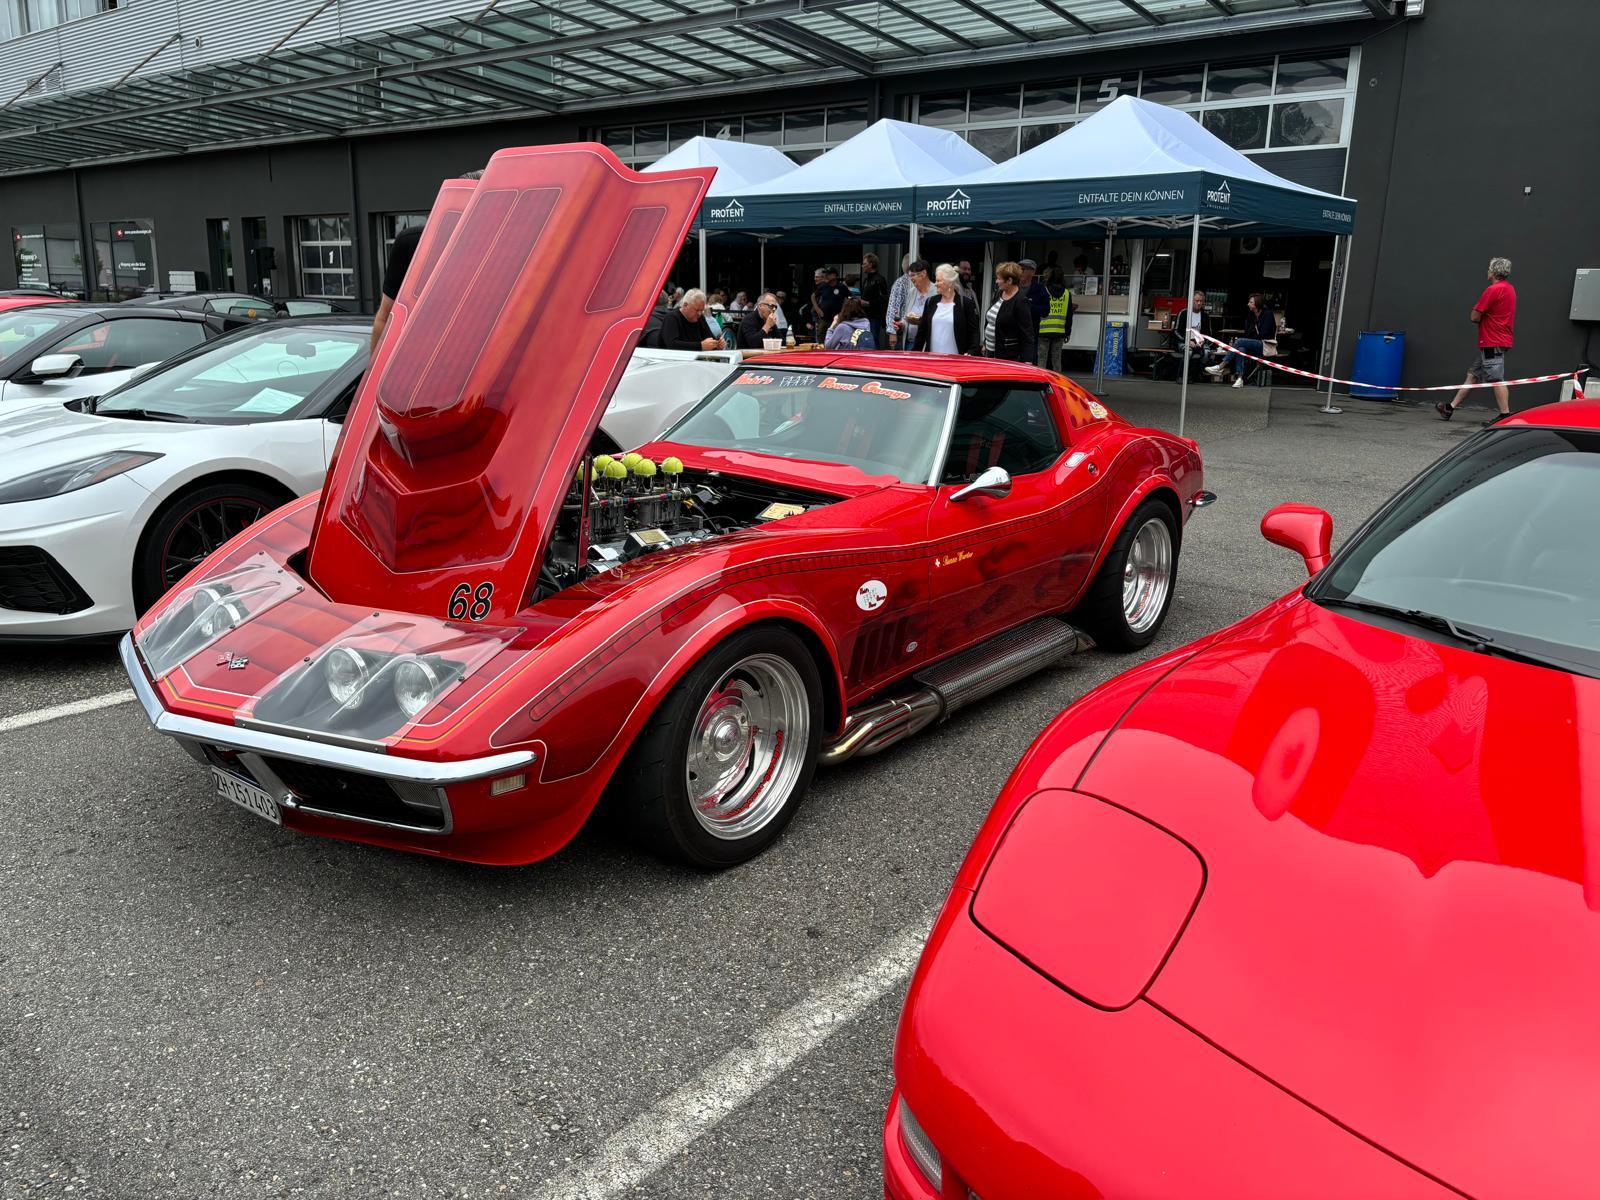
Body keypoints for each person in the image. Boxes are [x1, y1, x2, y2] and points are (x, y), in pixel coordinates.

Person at [370, 169, 484, 352]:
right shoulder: (414, 243)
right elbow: (385, 318)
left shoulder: (506, 251)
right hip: (420, 359)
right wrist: (373, 375)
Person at [1438, 256, 1516, 421]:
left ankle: (1505, 415)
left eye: (1489, 269)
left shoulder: (1493, 290)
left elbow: (1474, 316)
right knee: (1473, 375)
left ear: (1494, 271)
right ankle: (1450, 407)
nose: (1487, 272)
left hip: (1492, 342)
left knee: (1496, 378)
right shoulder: (1510, 289)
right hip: (1498, 340)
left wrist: (1482, 317)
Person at [1204, 293, 1277, 387]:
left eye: (1251, 302)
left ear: (1257, 304)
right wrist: (1248, 341)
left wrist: (1248, 340)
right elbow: (1247, 332)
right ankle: (1240, 378)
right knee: (1240, 349)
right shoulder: (1251, 315)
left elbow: (1265, 334)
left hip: (1265, 345)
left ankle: (1221, 366)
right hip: (1253, 343)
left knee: (1240, 341)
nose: (1248, 304)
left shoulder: (1268, 314)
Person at [911, 263, 978, 355]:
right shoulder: (930, 302)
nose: (935, 284)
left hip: (957, 360)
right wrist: (914, 355)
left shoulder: (966, 304)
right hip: (932, 359)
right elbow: (921, 333)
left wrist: (971, 352)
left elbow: (973, 332)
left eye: (939, 281)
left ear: (949, 282)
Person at [985, 261, 1036, 363]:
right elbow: (991, 321)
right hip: (989, 352)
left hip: (1007, 357)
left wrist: (1028, 360)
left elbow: (1027, 333)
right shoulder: (998, 294)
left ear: (1009, 280)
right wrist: (985, 344)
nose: (996, 281)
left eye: (999, 279)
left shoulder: (1020, 301)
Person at [660, 289, 725, 351]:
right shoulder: (671, 318)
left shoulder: (700, 318)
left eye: (701, 310)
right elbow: (672, 345)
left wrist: (717, 345)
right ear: (685, 305)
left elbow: (710, 338)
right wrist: (700, 346)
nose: (699, 313)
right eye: (697, 310)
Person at [1037, 267, 1072, 373]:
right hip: (1059, 331)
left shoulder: (1044, 290)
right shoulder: (1067, 293)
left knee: (1042, 359)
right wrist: (1068, 332)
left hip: (1043, 330)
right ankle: (1058, 382)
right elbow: (1069, 315)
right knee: (1056, 359)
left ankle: (1041, 381)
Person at [896, 260, 935, 350]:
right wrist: (901, 324)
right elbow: (907, 315)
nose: (911, 279)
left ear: (924, 274)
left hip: (928, 343)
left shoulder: (937, 292)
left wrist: (921, 321)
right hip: (909, 342)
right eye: (910, 276)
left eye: (913, 275)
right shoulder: (911, 292)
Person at [858, 252, 890, 352]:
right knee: (863, 339)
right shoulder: (865, 280)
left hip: (874, 316)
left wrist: (868, 303)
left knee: (873, 339)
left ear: (871, 265)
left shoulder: (879, 279)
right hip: (864, 315)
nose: (862, 266)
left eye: (864, 263)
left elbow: (884, 299)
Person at [1020, 259, 1050, 362]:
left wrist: (1029, 306)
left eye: (1023, 269)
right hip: (1012, 336)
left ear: (1032, 272)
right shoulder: (1012, 287)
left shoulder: (1039, 289)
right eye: (1018, 269)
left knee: (1029, 363)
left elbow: (1046, 310)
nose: (1020, 271)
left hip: (1031, 335)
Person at [885, 255, 916, 349]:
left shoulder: (910, 282)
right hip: (902, 333)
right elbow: (893, 307)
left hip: (910, 331)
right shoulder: (901, 283)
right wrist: (892, 331)